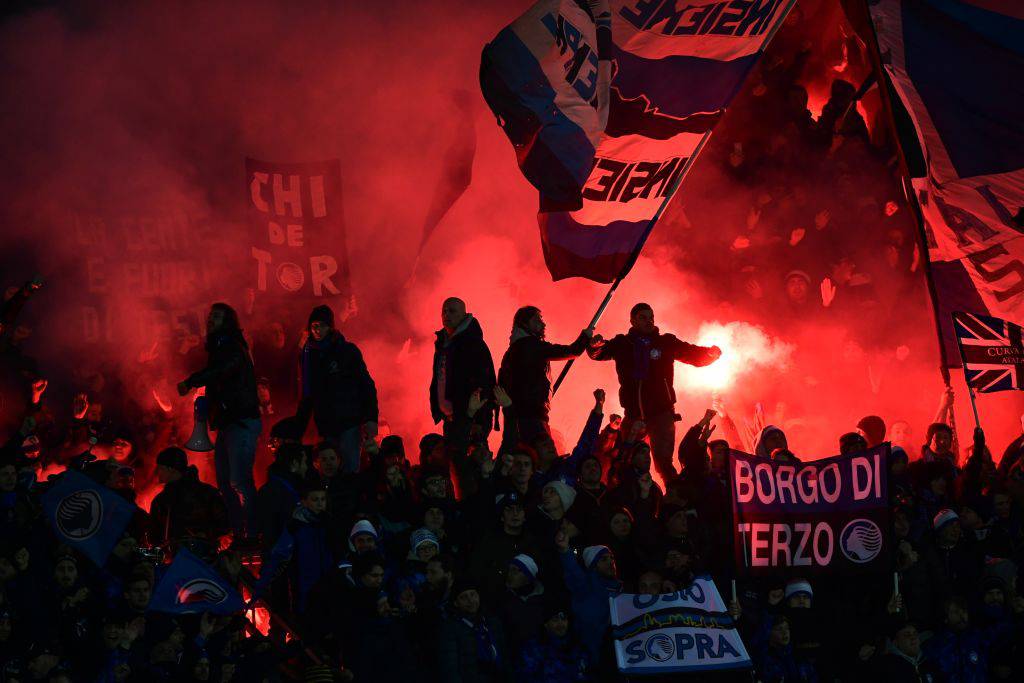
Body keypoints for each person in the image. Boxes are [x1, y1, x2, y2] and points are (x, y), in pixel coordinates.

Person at [587, 303, 721, 481]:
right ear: (632, 321)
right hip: (633, 414)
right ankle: (628, 501)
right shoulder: (623, 344)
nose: (648, 320)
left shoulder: (665, 342)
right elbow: (599, 353)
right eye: (643, 317)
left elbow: (690, 353)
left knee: (663, 463)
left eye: (651, 317)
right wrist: (595, 346)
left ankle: (674, 501)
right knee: (627, 461)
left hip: (661, 414)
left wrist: (710, 354)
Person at [177, 303, 261, 544]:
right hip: (229, 422)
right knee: (225, 481)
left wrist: (192, 381)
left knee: (239, 480)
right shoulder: (219, 346)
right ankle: (239, 533)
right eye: (210, 315)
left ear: (227, 321)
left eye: (217, 316)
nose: (211, 319)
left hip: (241, 421)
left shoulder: (230, 344)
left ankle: (252, 534)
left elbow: (222, 370)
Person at [497, 306, 593, 459]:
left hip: (519, 416)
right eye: (537, 320)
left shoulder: (514, 350)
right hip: (532, 417)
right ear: (525, 324)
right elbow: (572, 351)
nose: (543, 324)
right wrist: (586, 336)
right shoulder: (530, 346)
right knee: (543, 459)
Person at [295, 304, 378, 475]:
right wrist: (299, 428)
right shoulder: (307, 355)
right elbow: (307, 393)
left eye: (322, 325)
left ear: (331, 327)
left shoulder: (347, 351)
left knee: (348, 470)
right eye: (314, 326)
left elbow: (366, 385)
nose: (318, 330)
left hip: (349, 422)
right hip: (326, 424)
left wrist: (371, 417)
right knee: (329, 472)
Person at [430, 297, 497, 452]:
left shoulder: (473, 344)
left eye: (452, 311)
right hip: (452, 418)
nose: (446, 315)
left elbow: (486, 381)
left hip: (471, 418)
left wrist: (479, 419)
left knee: (472, 465)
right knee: (456, 464)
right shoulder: (444, 344)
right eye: (444, 311)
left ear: (464, 315)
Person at [147, 447, 228, 556]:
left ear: (171, 469)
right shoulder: (209, 492)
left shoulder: (161, 501)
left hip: (197, 560)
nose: (157, 472)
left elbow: (224, 525)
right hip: (199, 560)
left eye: (160, 468)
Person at [438, 580, 511, 683]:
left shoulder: (492, 621)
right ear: (456, 603)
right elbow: (450, 666)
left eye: (473, 594)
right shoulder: (451, 628)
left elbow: (504, 654)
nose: (471, 600)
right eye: (464, 597)